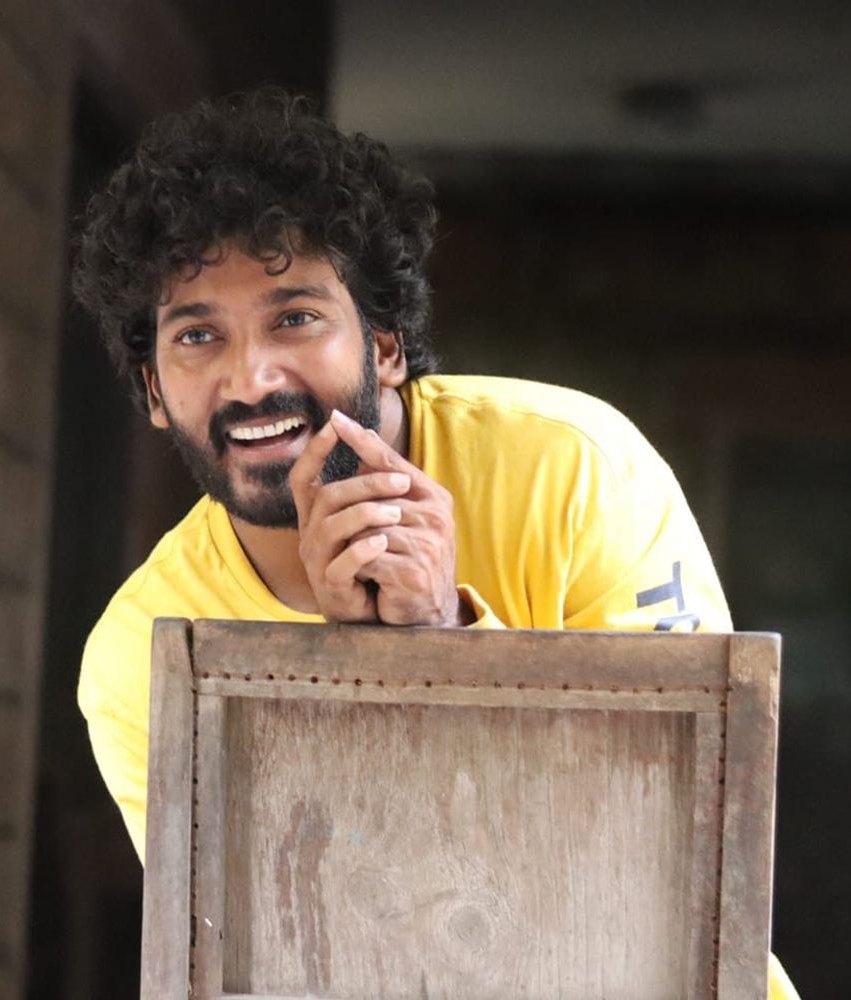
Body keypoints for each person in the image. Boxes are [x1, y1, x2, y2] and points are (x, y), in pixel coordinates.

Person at [73, 88, 798, 999]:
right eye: (197, 335)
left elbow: (683, 873)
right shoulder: (142, 655)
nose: (250, 377)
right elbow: (262, 966)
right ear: (153, 390)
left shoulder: (575, 471)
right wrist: (357, 677)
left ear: (385, 346)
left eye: (294, 318)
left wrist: (446, 644)